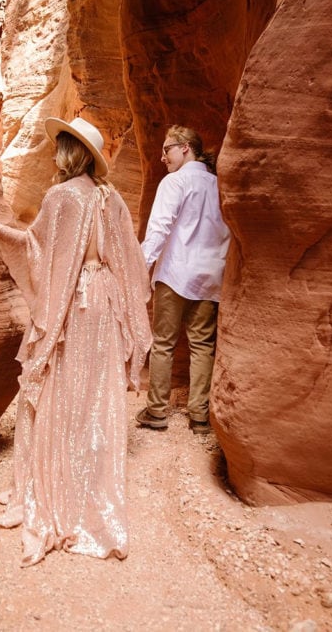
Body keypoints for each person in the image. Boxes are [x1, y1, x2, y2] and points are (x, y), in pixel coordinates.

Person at [0, 116, 151, 567]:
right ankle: (90, 484)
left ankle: (57, 486)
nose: (55, 152)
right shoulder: (112, 198)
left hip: (73, 306)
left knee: (61, 390)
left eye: (60, 145)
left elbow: (34, 249)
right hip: (104, 304)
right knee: (94, 394)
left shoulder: (61, 197)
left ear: (69, 152)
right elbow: (131, 264)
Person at [136, 125, 230, 434]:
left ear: (185, 148)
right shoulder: (218, 185)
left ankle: (157, 411)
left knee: (163, 343)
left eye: (167, 149)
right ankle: (199, 416)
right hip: (211, 276)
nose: (162, 157)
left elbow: (159, 228)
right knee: (203, 345)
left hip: (175, 273)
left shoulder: (174, 182)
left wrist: (140, 268)